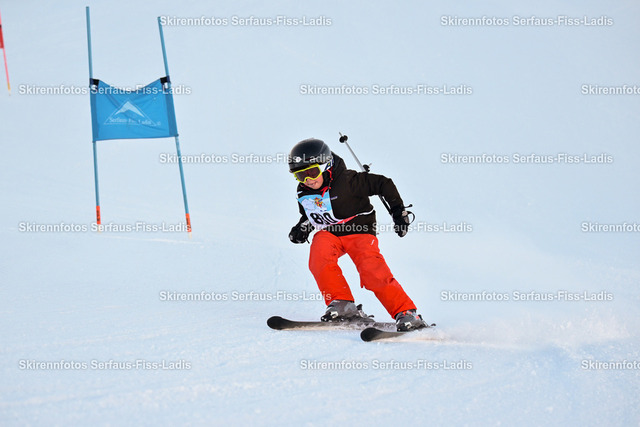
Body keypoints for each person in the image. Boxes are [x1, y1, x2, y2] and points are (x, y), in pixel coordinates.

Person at [287, 138, 428, 331]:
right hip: (331, 233)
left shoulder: (348, 181)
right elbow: (311, 215)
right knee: (319, 254)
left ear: (326, 166)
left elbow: (383, 184)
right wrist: (302, 227)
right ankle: (342, 304)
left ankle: (407, 313)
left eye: (312, 172)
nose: (308, 180)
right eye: (300, 175)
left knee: (371, 271)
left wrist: (398, 212)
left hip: (359, 231)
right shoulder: (304, 192)